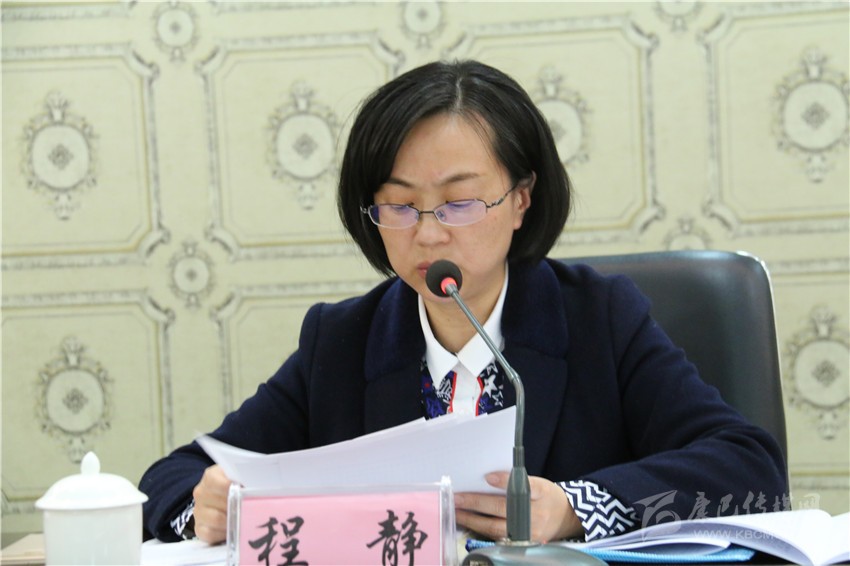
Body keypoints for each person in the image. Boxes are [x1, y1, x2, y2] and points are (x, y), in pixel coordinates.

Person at [139, 59, 787, 545]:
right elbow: (171, 478)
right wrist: (205, 507)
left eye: (459, 202)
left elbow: (750, 465)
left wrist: (575, 508)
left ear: (521, 200)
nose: (427, 233)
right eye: (399, 205)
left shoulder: (600, 319)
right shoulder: (342, 340)